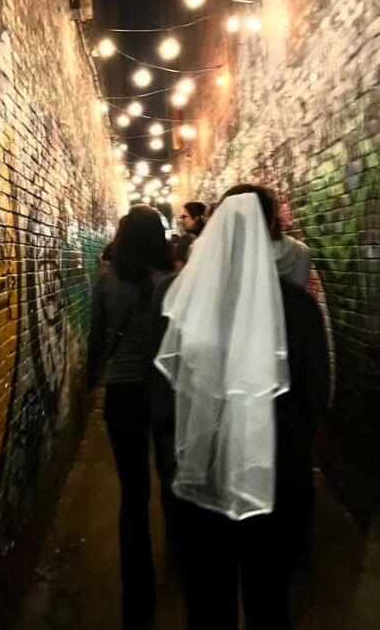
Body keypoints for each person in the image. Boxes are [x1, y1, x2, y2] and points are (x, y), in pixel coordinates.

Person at [150, 183, 330, 630]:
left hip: (202, 472)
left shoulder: (178, 299)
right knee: (270, 600)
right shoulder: (298, 307)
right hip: (276, 478)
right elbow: (317, 395)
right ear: (271, 231)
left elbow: (163, 397)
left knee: (207, 601)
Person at [87, 205, 175, 630]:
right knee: (172, 482)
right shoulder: (173, 283)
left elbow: (96, 339)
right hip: (163, 394)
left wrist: (91, 383)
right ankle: (180, 563)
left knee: (133, 496)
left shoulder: (106, 282)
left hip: (122, 394)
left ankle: (136, 595)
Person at [174, 201, 206, 270]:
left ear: (196, 218)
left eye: (184, 217)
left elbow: (179, 268)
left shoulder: (186, 239)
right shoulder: (210, 236)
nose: (182, 220)